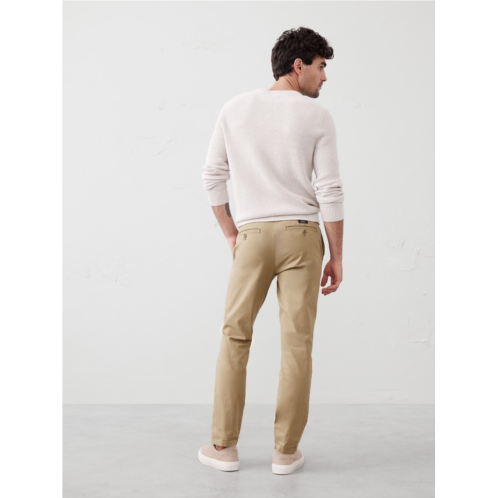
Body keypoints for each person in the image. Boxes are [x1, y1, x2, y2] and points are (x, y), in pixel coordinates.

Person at [198, 26, 344, 475]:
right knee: (298, 344)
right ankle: (285, 453)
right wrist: (337, 255)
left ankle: (223, 448)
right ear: (298, 66)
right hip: (303, 236)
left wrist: (231, 234)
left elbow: (212, 176)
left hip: (254, 236)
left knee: (235, 335)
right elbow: (330, 190)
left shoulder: (235, 108)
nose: (324, 77)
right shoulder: (317, 117)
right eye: (320, 67)